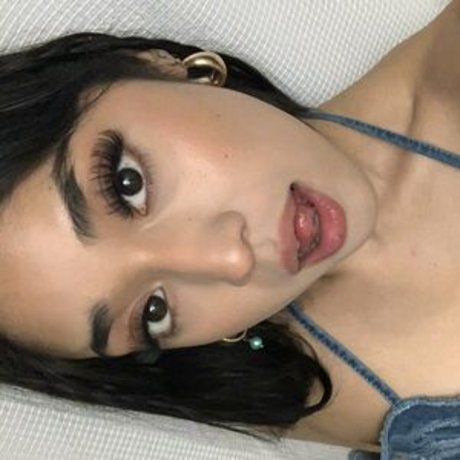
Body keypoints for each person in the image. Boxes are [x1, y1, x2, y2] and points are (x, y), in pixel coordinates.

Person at [0, 1, 458, 458]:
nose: (232, 261)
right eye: (152, 312)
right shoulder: (297, 387)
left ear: (153, 64)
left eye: (128, 184)